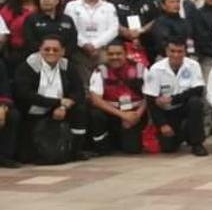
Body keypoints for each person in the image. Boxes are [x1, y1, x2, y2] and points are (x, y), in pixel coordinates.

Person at [14, 36, 90, 164]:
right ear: (40, 50)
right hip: (32, 112)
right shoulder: (27, 67)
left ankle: (76, 150)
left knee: (80, 110)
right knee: (29, 155)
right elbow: (24, 94)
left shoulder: (68, 66)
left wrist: (63, 107)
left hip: (60, 109)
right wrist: (57, 103)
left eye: (55, 50)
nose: (51, 52)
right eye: (47, 49)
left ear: (63, 51)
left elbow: (78, 91)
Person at [143, 40, 207, 156]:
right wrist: (162, 124)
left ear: (185, 52)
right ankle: (181, 135)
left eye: (180, 51)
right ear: (166, 51)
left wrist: (173, 99)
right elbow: (151, 99)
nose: (176, 55)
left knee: (196, 102)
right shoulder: (156, 69)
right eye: (172, 51)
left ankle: (197, 143)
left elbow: (198, 90)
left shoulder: (193, 65)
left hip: (185, 107)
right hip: (167, 112)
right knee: (168, 148)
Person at [86, 41, 147, 155]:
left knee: (132, 149)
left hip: (134, 113)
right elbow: (95, 99)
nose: (115, 57)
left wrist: (136, 115)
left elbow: (149, 96)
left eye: (118, 54)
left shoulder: (140, 69)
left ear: (125, 54)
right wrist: (122, 115)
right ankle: (102, 146)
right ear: (106, 55)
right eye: (111, 54)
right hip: (111, 113)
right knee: (95, 114)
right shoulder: (100, 70)